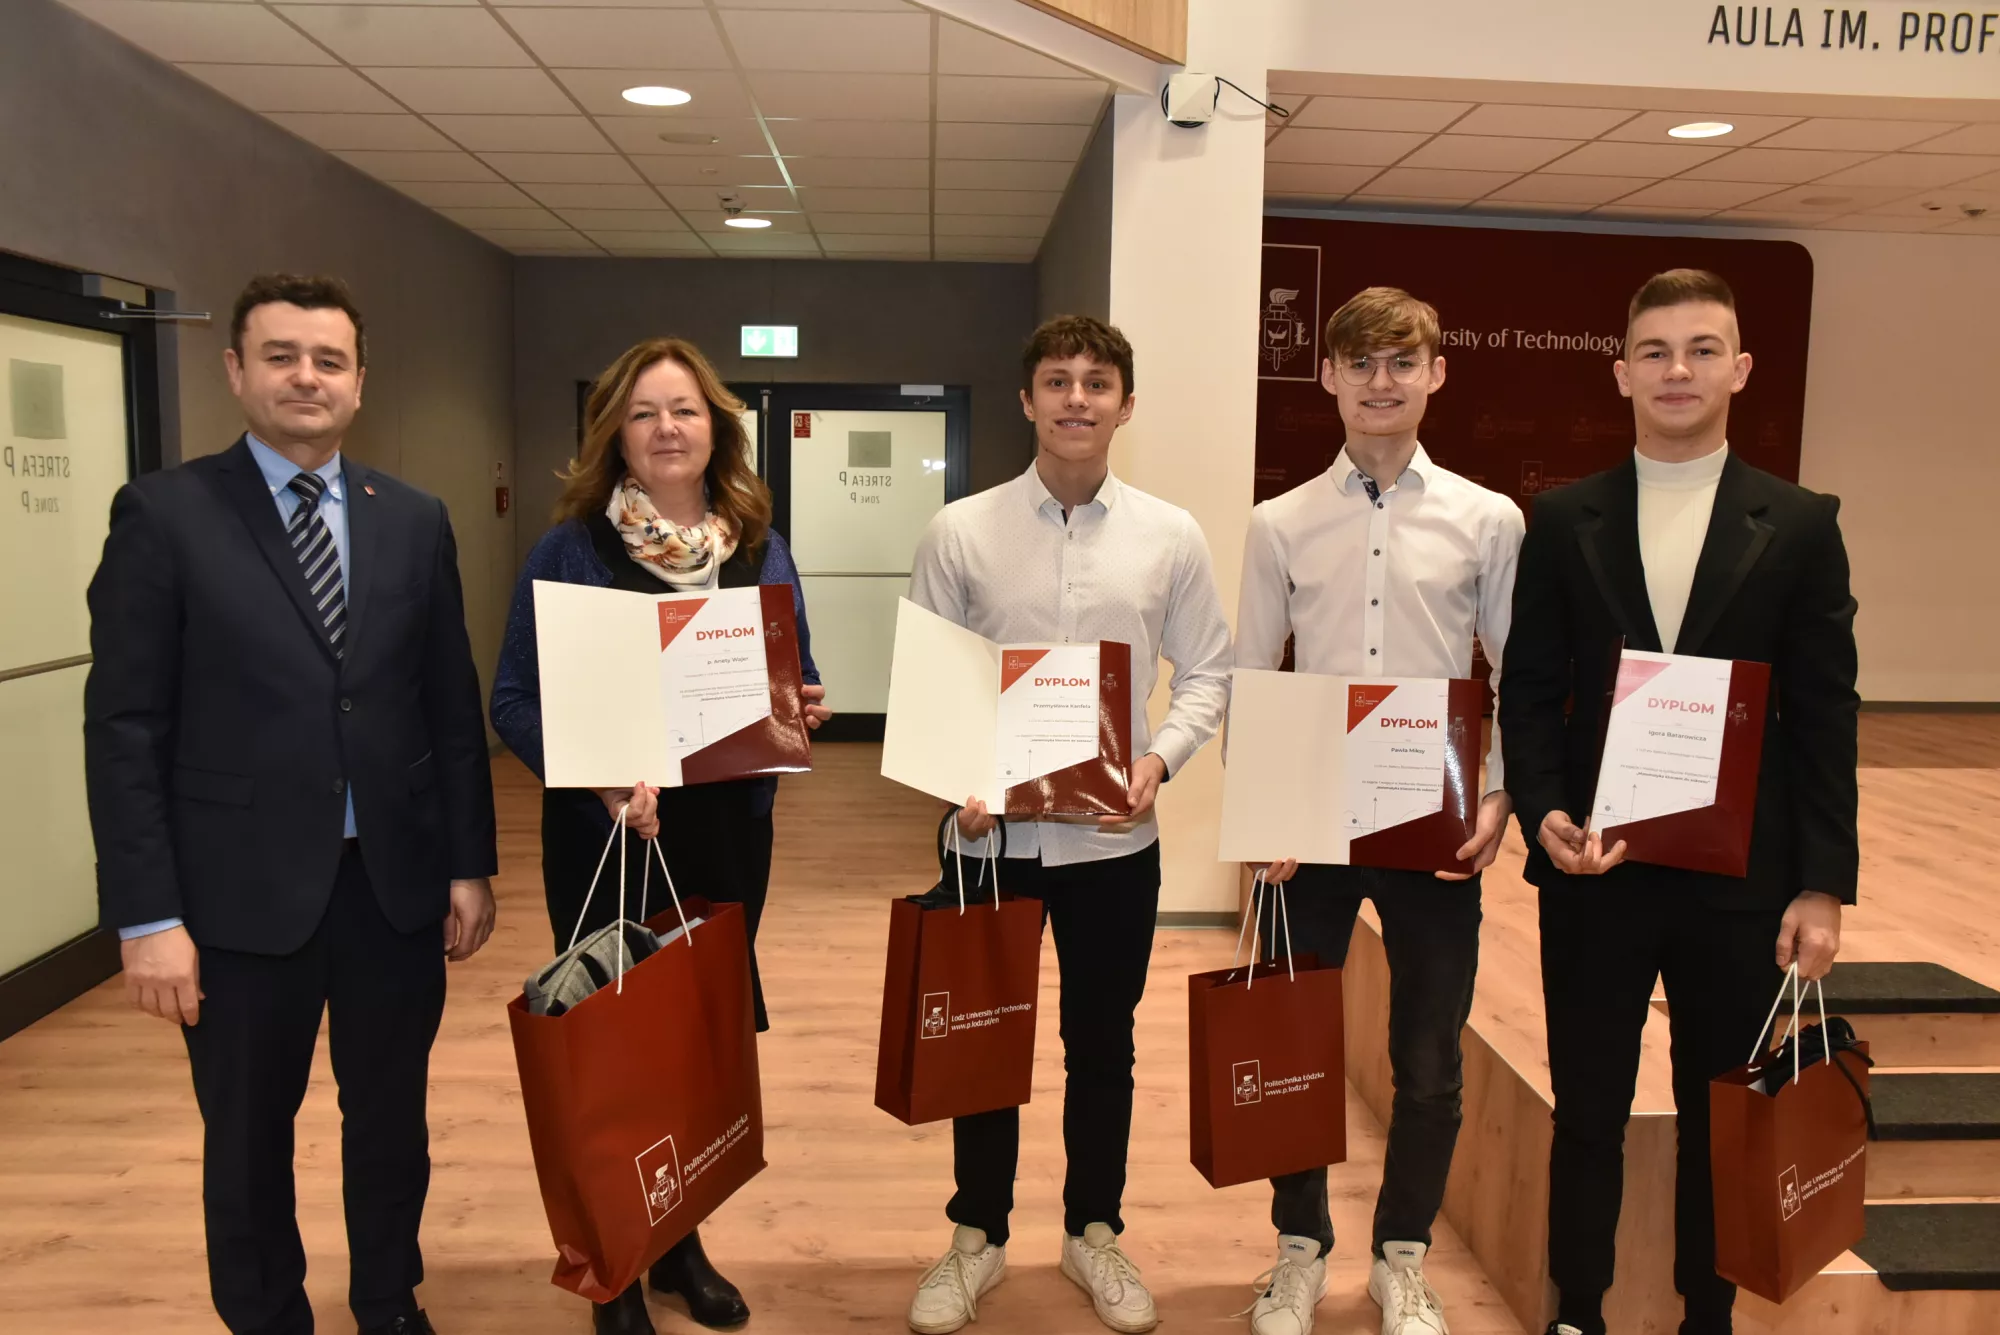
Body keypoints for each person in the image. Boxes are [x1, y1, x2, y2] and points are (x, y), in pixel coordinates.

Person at [83, 274, 499, 1335]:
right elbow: (125, 728)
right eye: (280, 356)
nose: (305, 377)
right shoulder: (164, 517)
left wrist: (468, 863)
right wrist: (147, 917)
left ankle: (386, 1297)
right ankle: (267, 1314)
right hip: (234, 903)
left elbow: (448, 705)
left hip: (391, 888)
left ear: (360, 383)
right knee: (248, 1133)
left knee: (390, 1122)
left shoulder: (411, 520)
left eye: (327, 360)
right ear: (236, 371)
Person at [1499, 270, 1857, 1335]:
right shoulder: (1563, 519)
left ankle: (1707, 1313)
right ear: (1619, 374)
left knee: (1720, 1116)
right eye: (1653, 351)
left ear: (1739, 369)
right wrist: (1543, 811)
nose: (1676, 370)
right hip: (1595, 868)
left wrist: (1823, 885)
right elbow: (1526, 687)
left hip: (1740, 879)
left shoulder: (1796, 524)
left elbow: (1824, 712)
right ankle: (1579, 1311)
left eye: (1701, 349)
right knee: (1588, 1113)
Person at [489, 336, 830, 1335]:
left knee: (694, 1045)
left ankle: (680, 1245)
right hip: (604, 837)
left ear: (714, 425)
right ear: (616, 436)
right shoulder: (571, 550)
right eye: (644, 413)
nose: (666, 428)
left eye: (683, 409)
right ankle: (614, 1269)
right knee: (613, 1049)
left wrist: (800, 706)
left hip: (726, 835)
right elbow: (510, 700)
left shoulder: (759, 543)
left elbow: (793, 676)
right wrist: (593, 776)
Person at [902, 315, 1233, 1335]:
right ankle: (977, 1237)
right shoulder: (960, 531)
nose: (1076, 399)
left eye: (1096, 383)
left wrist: (1156, 760)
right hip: (987, 842)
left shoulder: (1169, 535)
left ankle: (1092, 1231)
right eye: (1057, 381)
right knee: (981, 1049)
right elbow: (931, 689)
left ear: (1124, 404)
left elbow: (1208, 673)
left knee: (1103, 1044)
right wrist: (954, 777)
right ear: (1026, 399)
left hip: (1110, 844)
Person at [1233, 287, 1523, 1335]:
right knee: (1292, 1044)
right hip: (1306, 822)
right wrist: (1259, 808)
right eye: (1359, 362)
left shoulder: (1489, 519)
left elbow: (1513, 672)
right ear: (1328, 378)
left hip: (1432, 821)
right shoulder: (1279, 524)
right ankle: (1298, 1248)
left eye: (1402, 362)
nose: (1380, 381)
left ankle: (1401, 1254)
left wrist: (1498, 793)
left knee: (1429, 1058)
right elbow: (1248, 669)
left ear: (1436, 374)